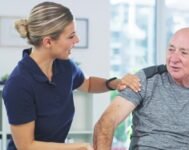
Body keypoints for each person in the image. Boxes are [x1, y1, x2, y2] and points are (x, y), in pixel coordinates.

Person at [2, 2, 141, 150]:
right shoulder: (18, 85)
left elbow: (87, 83)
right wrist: (78, 147)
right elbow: (26, 146)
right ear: (48, 42)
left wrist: (113, 83)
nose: (77, 40)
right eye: (71, 36)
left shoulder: (64, 66)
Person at [93, 27, 189, 150]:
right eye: (171, 49)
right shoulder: (145, 79)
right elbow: (106, 123)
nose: (173, 59)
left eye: (184, 53)